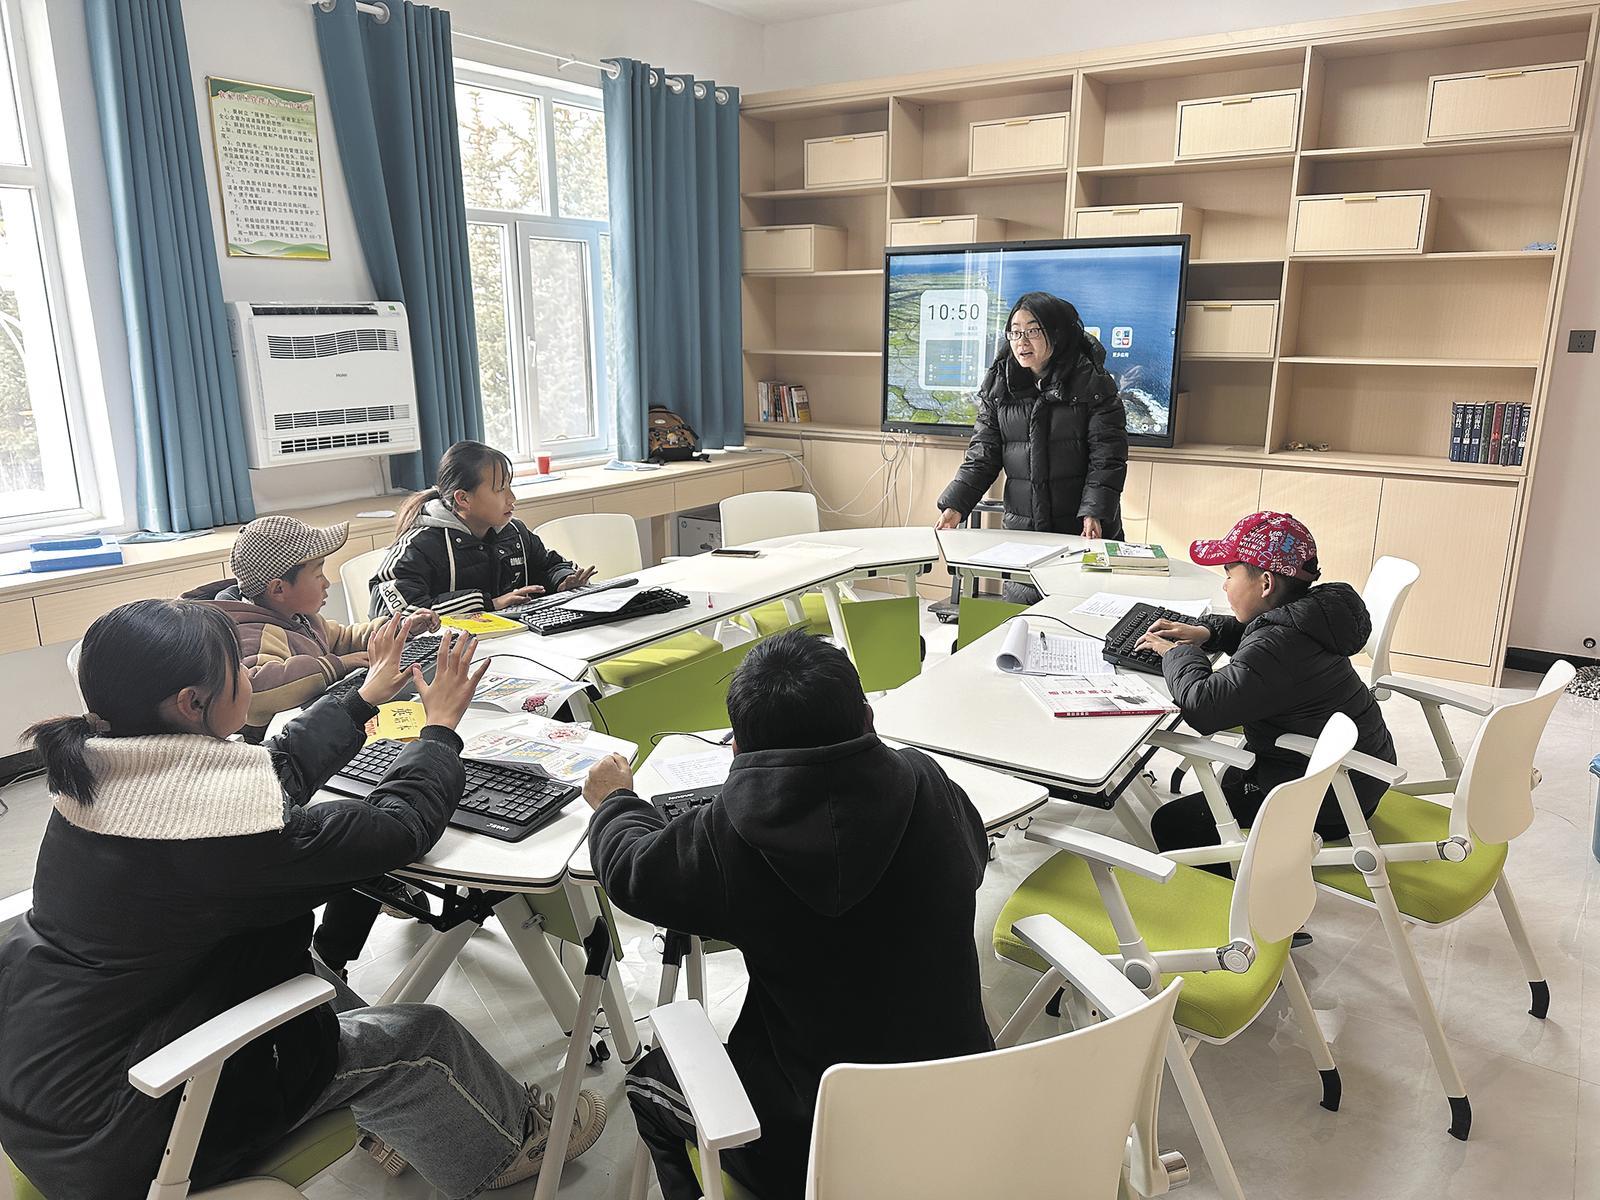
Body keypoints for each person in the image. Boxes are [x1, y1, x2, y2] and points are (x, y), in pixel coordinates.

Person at [0, 603, 606, 1198]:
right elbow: (398, 828)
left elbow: (272, 772)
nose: (248, 677)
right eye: (238, 670)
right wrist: (440, 731)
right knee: (422, 1038)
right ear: (191, 703)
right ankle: (507, 1146)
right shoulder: (227, 835)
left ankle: (401, 1121)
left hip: (52, 1083)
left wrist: (361, 699)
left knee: (310, 975)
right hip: (132, 1130)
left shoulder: (101, 775)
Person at [584, 630, 994, 1200]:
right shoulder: (927, 783)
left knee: (650, 1084)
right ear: (868, 717)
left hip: (815, 1145)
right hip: (969, 1112)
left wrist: (614, 802)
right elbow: (975, 857)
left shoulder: (729, 835)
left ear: (737, 751)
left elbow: (631, 869)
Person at [1133, 511, 1397, 855]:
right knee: (1232, 776)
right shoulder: (1313, 615)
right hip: (1354, 777)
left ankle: (1240, 884)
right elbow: (1266, 635)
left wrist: (1177, 653)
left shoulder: (1277, 645)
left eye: (1229, 574)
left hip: (1328, 802)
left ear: (1266, 583)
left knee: (1173, 824)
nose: (1224, 585)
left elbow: (1203, 707)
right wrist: (1208, 632)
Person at [934, 291, 1129, 603]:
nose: (1021, 341)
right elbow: (983, 455)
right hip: (1023, 532)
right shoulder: (999, 386)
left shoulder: (1093, 385)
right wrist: (955, 505)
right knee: (1021, 617)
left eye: (1033, 331)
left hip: (1080, 527)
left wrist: (1095, 512)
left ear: (1057, 333)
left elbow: (1107, 458)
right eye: (1015, 332)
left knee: (1079, 611)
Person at [185, 515, 439, 735]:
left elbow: (344, 639)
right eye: (318, 574)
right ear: (278, 589)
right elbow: (257, 688)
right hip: (280, 748)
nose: (326, 583)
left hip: (312, 727)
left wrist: (400, 628)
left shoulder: (300, 617)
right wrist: (336, 665)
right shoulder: (251, 631)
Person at [371, 440, 598, 618]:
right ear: (463, 499)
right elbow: (395, 613)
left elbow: (548, 566)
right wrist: (488, 603)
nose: (512, 498)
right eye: (500, 489)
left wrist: (563, 581)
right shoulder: (419, 545)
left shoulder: (515, 532)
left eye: (510, 486)